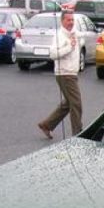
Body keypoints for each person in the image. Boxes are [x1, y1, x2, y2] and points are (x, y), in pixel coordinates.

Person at [38, 11, 82, 139]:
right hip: (65, 74)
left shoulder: (73, 33)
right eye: (68, 20)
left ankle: (47, 125)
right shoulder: (60, 36)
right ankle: (78, 134)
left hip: (72, 73)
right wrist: (69, 47)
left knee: (68, 104)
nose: (71, 22)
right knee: (76, 104)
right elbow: (52, 54)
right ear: (62, 21)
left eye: (72, 20)